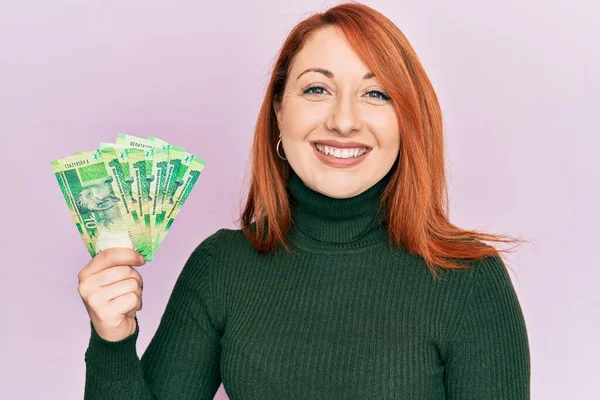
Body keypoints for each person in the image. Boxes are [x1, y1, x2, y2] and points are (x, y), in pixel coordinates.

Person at [78, 2, 531, 399]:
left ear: (407, 120)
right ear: (279, 110)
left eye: (376, 93)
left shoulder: (471, 282)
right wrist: (112, 340)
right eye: (317, 89)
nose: (344, 121)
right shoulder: (221, 267)